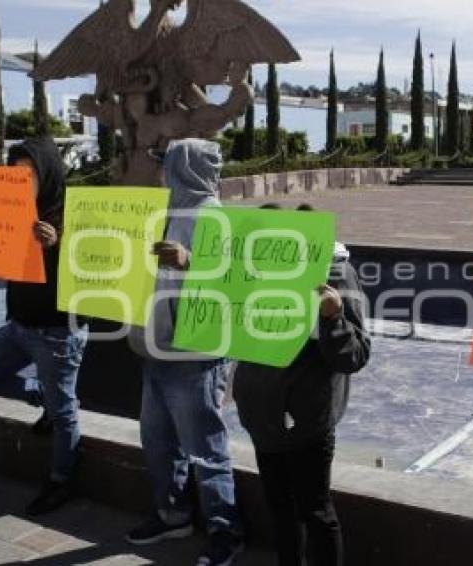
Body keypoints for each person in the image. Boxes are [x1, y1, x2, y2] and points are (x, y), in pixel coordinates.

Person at [125, 139, 242, 566]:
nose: (159, 172)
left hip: (196, 353)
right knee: (157, 440)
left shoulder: (214, 216)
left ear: (184, 168)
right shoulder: (169, 211)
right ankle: (173, 514)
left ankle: (226, 532)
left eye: (166, 164)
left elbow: (235, 279)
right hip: (160, 346)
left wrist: (189, 260)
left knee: (205, 447)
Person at [233, 203, 371, 566]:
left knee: (315, 511)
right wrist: (190, 267)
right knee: (279, 510)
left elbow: (354, 355)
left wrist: (333, 317)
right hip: (261, 416)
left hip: (306, 421)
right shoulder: (247, 268)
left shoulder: (337, 274)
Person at [0, 138, 88, 515]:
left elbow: (99, 269)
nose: (22, 180)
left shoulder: (76, 214)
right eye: (15, 173)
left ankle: (61, 481)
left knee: (65, 411)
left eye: (29, 174)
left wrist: (57, 243)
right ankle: (40, 396)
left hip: (57, 332)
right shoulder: (10, 210)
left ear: (47, 173)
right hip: (19, 324)